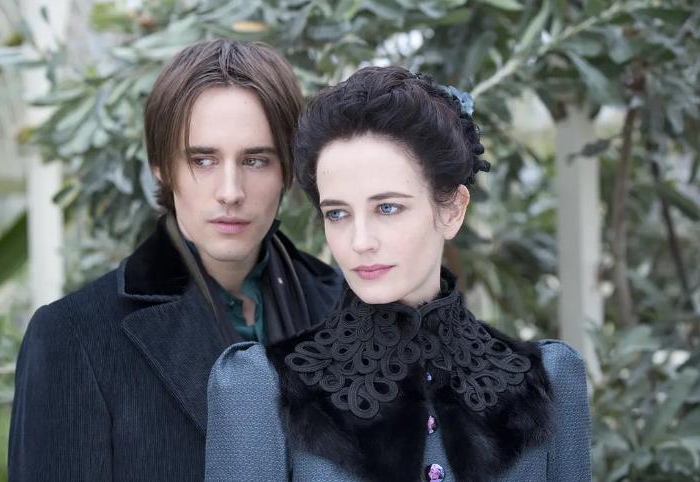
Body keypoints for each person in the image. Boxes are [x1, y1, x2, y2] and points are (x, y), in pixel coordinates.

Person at [205, 66, 592, 482]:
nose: (360, 241)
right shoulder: (258, 388)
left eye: (387, 208)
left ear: (452, 209)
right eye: (337, 213)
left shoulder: (549, 380)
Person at [8, 39, 341, 482]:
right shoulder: (72, 337)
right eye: (203, 159)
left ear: (288, 170)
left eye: (255, 160)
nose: (230, 191)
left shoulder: (350, 308)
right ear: (162, 166)